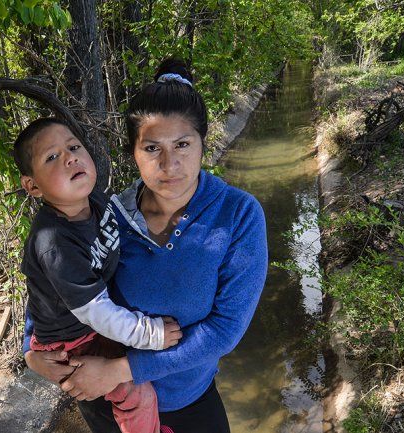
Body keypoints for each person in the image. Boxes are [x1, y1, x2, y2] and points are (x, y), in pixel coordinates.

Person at [24, 58, 268, 433]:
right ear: (133, 152)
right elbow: (53, 283)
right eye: (153, 148)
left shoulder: (237, 215)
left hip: (187, 402)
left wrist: (122, 370)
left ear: (204, 142)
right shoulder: (111, 214)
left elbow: (224, 330)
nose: (170, 164)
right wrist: (31, 351)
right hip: (105, 400)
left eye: (183, 144)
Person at [13, 117, 184, 433]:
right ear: (33, 186)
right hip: (72, 340)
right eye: (52, 157)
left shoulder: (96, 201)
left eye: (74, 147)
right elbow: (97, 312)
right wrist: (152, 333)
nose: (70, 157)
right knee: (135, 392)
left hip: (87, 324)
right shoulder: (54, 241)